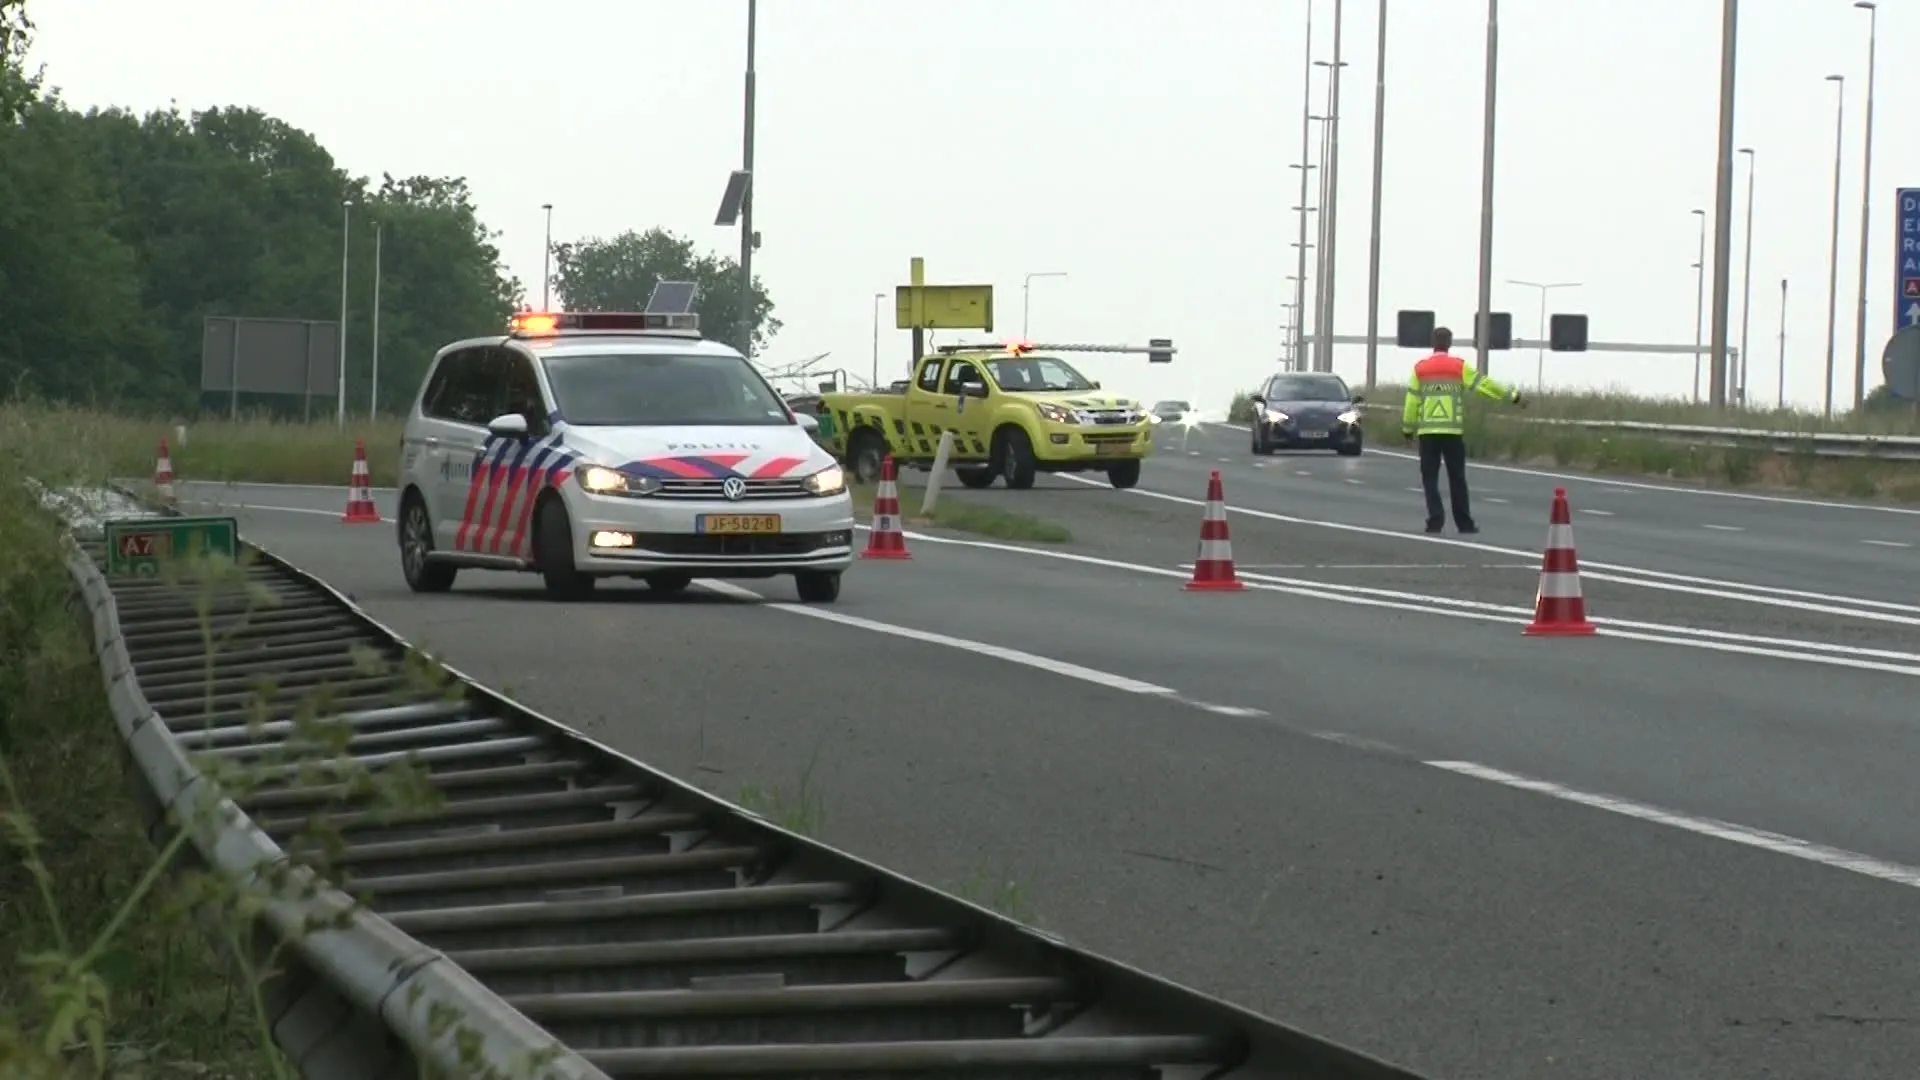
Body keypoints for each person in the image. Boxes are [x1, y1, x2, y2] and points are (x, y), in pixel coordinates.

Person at [1399, 326, 1524, 535]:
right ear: (1449, 344)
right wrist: (1512, 396)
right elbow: (1484, 385)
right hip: (1452, 432)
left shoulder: (1420, 369)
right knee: (1457, 479)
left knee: (1430, 479)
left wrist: (1407, 429)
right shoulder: (1458, 367)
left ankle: (1435, 520)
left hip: (1428, 433)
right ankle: (1464, 523)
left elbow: (1412, 401)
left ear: (1433, 343)